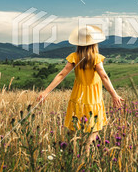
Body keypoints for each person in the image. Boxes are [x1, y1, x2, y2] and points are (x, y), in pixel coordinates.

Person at [36, 25, 124, 154]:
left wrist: (45, 92)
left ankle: (70, 152)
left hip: (78, 96)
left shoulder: (74, 57)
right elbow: (104, 77)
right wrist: (114, 95)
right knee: (94, 129)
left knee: (74, 127)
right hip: (93, 98)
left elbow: (61, 75)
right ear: (94, 43)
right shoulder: (96, 57)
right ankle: (86, 155)